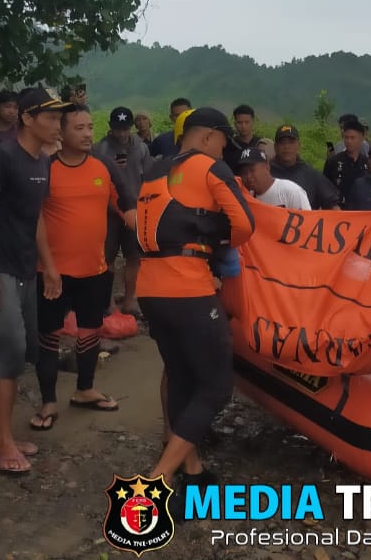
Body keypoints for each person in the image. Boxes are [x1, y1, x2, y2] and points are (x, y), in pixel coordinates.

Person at [136, 107, 255, 492]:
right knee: (216, 386)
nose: (224, 151)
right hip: (188, 287)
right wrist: (219, 243)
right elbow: (245, 224)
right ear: (207, 137)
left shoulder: (155, 168)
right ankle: (158, 478)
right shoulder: (210, 167)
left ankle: (193, 469)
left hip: (149, 288)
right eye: (222, 143)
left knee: (182, 378)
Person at [0, 87, 73, 474]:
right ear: (27, 119)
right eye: (50, 117)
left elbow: (36, 217)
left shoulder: (42, 161)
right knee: (7, 354)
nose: (57, 125)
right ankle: (3, 444)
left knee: (12, 352)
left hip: (26, 269)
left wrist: (50, 265)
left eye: (59, 118)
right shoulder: (1, 156)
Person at [29, 104, 137, 431]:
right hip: (51, 273)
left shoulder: (103, 165)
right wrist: (46, 266)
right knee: (49, 337)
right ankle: (48, 402)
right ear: (61, 133)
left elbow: (127, 204)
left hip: (94, 270)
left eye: (90, 126)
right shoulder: (45, 168)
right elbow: (31, 217)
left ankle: (85, 390)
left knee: (90, 332)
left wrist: (142, 222)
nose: (88, 133)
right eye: (79, 128)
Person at [93, 107, 152, 316]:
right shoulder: (100, 149)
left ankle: (130, 300)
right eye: (118, 129)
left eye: (125, 129)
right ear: (111, 127)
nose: (122, 133)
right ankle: (107, 302)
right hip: (108, 212)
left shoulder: (141, 147)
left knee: (133, 256)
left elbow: (148, 178)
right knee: (106, 258)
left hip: (134, 210)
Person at [270, 124, 341, 209]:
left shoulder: (311, 175)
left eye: (291, 142)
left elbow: (333, 205)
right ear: (275, 147)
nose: (287, 147)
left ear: (299, 145)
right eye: (282, 143)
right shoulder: (265, 173)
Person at [238, 147, 311, 209]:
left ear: (267, 167)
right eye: (244, 172)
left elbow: (308, 219)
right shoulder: (246, 198)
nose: (248, 176)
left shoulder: (292, 192)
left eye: (252, 170)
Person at [324, 119, 369, 205]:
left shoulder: (367, 162)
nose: (349, 141)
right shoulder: (333, 162)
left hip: (362, 209)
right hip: (338, 208)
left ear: (362, 138)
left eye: (352, 138)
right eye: (346, 137)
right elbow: (325, 188)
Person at [230, 104, 259, 171]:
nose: (243, 126)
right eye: (239, 122)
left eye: (247, 122)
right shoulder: (230, 146)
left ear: (253, 122)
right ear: (235, 124)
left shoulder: (260, 144)